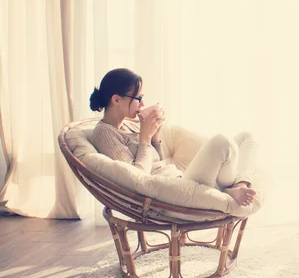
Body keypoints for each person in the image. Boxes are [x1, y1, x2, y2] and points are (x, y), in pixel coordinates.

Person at [88, 68, 257, 207]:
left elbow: (158, 164)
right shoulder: (104, 133)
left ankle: (237, 186)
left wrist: (155, 138)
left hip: (180, 180)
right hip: (172, 194)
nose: (142, 104)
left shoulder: (130, 125)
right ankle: (227, 190)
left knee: (246, 137)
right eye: (138, 98)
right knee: (222, 141)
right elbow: (136, 180)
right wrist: (145, 139)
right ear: (116, 99)